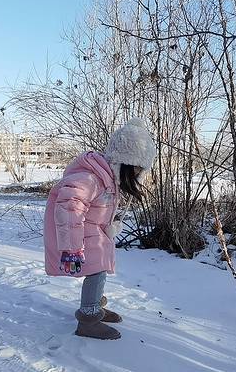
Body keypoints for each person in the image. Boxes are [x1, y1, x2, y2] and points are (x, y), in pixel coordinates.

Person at [43, 118, 156, 340]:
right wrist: (72, 247)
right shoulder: (91, 178)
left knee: (101, 269)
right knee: (96, 271)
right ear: (123, 162)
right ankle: (88, 319)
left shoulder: (108, 179)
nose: (137, 175)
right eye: (136, 169)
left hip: (95, 234)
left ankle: (95, 305)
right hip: (80, 237)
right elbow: (69, 207)